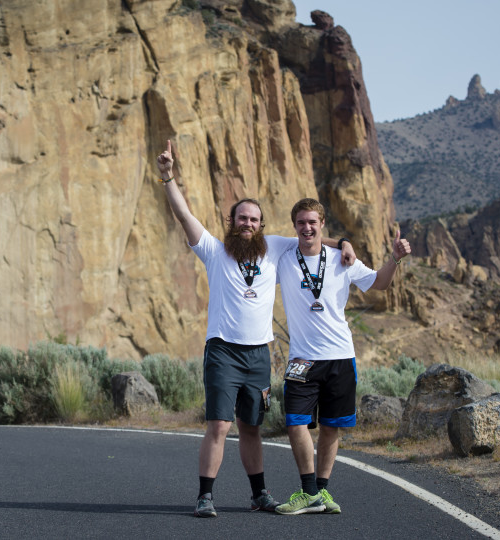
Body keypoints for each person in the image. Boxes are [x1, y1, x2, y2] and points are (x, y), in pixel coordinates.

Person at [154, 140, 356, 518]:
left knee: (251, 427)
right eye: (241, 218)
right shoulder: (214, 250)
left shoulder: (275, 248)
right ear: (231, 223)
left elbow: (310, 238)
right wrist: (168, 177)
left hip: (259, 354)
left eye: (253, 219)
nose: (247, 224)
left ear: (261, 225)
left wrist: (342, 242)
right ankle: (205, 496)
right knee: (219, 425)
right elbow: (183, 215)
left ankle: (259, 494)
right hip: (223, 350)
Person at [273, 197, 410, 515]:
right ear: (294, 226)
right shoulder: (283, 257)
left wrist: (395, 259)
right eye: (301, 223)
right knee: (295, 423)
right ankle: (308, 493)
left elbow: (380, 283)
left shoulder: (341, 259)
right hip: (301, 359)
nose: (307, 228)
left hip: (340, 356)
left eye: (312, 222)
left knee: (331, 427)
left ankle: (321, 492)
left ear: (322, 225)